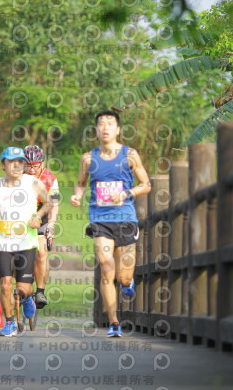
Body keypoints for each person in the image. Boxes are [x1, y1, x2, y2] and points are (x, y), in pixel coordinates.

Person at [71, 111, 151, 337]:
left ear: (117, 130)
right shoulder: (88, 158)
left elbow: (146, 184)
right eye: (101, 124)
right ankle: (114, 323)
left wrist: (126, 193)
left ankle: (127, 284)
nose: (105, 127)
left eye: (110, 124)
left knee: (123, 276)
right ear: (96, 130)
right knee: (106, 268)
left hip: (125, 218)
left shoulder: (130, 155)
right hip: (100, 219)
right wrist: (77, 195)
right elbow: (80, 183)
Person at [0, 147, 53, 337]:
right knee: (6, 283)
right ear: (2, 164)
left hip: (26, 243)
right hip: (4, 244)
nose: (17, 165)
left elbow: (49, 202)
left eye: (20, 162)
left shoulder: (33, 183)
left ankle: (28, 298)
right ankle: (9, 323)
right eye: (12, 161)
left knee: (23, 288)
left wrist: (38, 216)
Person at [23, 145, 60, 309]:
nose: (31, 170)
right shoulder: (17, 176)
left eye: (35, 166)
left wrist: (51, 225)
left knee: (42, 252)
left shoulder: (50, 179)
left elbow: (55, 205)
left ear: (42, 164)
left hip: (42, 217)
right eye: (28, 166)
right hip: (21, 218)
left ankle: (40, 291)